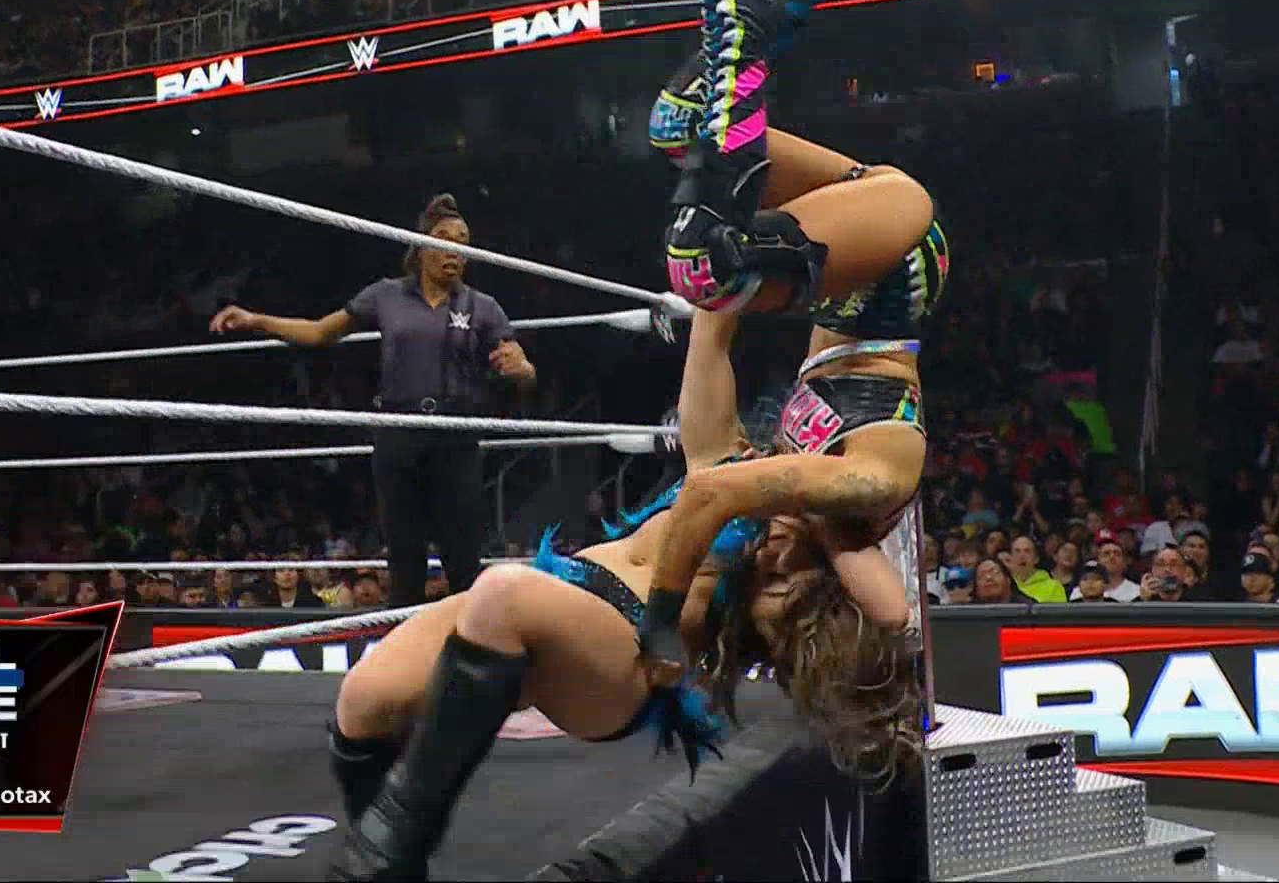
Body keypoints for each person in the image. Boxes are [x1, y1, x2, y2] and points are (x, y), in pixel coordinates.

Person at [323, 301, 916, 880]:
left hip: (626, 654)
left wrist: (822, 517)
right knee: (363, 701)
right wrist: (724, 283)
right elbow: (710, 338)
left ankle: (374, 864)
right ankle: (397, 868)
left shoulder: (804, 558)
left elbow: (892, 610)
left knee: (502, 594)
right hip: (566, 589)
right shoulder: (726, 468)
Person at [634, 0, 953, 675]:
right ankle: (747, 25)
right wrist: (662, 621)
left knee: (679, 132)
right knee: (707, 271)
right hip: (897, 261)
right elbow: (893, 614)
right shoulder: (863, 497)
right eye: (783, 579)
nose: (768, 557)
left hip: (842, 252)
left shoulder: (737, 468)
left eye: (760, 578)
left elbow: (711, 342)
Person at [211, 193, 537, 607]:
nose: (455, 250)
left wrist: (521, 368)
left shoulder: (483, 307)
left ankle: (465, 644)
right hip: (398, 431)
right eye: (444, 238)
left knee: (462, 556)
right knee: (404, 555)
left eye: (463, 242)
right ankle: (403, 642)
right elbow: (320, 331)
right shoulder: (386, 295)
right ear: (421, 245)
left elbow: (523, 371)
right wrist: (257, 320)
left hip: (455, 435)